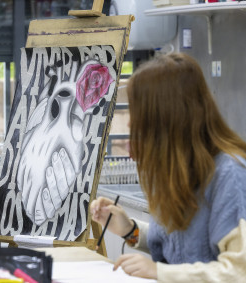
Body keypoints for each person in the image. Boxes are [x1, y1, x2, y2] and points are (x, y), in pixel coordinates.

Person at [90, 53, 246, 282]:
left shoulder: (230, 175)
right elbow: (176, 248)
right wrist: (128, 230)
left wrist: (158, 271)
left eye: (139, 115)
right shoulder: (178, 168)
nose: (132, 123)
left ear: (164, 119)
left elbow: (238, 272)